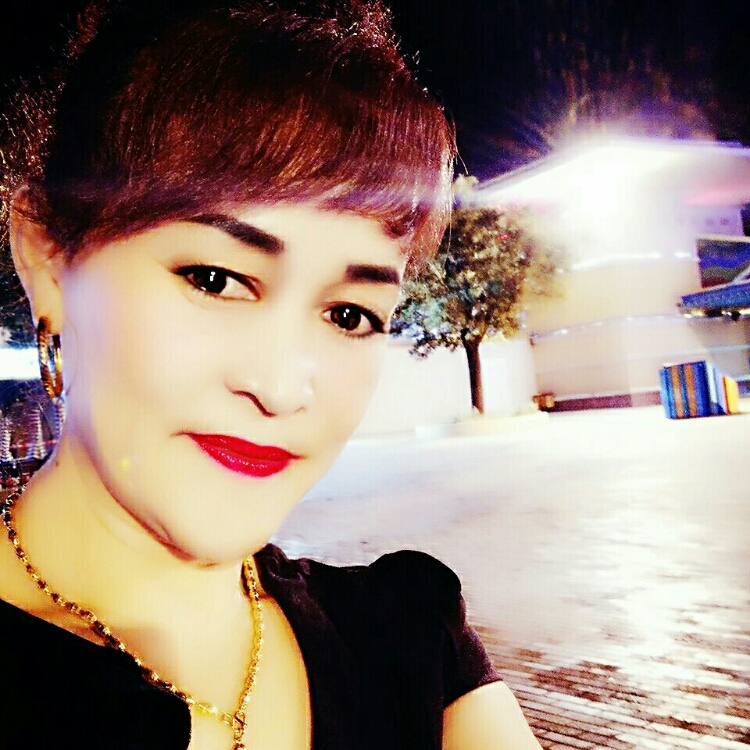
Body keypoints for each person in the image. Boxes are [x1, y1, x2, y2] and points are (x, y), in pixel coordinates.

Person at [0, 2, 543, 749]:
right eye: (216, 279)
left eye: (350, 315)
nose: (283, 388)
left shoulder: (409, 648)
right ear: (47, 259)